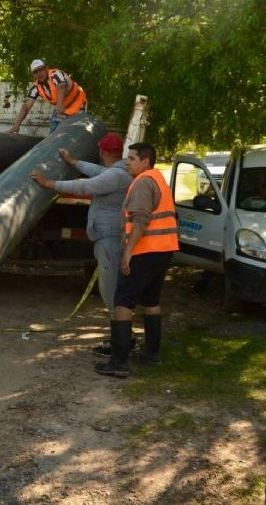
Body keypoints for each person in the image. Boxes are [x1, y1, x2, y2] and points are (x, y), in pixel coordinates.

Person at [30, 132, 133, 326]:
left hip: (109, 239)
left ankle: (121, 343)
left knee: (110, 292)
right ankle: (120, 340)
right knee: (110, 288)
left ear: (102, 151)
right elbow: (97, 171)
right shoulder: (119, 171)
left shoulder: (116, 175)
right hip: (110, 236)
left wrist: (48, 183)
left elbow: (85, 187)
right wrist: (74, 162)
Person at [95, 142, 179, 378]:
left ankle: (119, 363)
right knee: (151, 301)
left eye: (132, 158)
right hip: (163, 249)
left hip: (144, 250)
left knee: (123, 302)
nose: (127, 163)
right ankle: (151, 353)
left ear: (145, 161)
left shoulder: (142, 182)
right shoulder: (158, 178)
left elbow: (141, 218)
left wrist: (128, 251)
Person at [9, 59, 87, 134]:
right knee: (53, 135)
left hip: (76, 105)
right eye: (36, 72)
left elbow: (61, 86)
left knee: (73, 134)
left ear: (46, 68)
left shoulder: (56, 74)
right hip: (61, 108)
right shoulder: (36, 88)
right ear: (33, 75)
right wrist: (17, 125)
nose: (39, 73)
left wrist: (59, 105)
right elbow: (26, 106)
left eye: (41, 69)